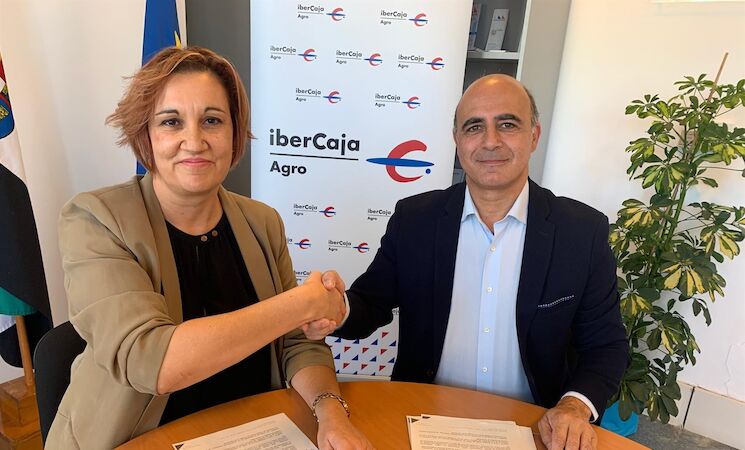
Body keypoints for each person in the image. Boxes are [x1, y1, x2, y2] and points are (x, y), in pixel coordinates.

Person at [48, 46, 372, 450]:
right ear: (145, 135)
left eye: (212, 120)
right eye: (171, 122)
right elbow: (151, 361)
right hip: (135, 439)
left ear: (234, 134)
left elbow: (297, 342)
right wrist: (300, 304)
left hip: (252, 433)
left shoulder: (262, 222)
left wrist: (331, 415)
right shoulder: (96, 219)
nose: (194, 141)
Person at [309, 74, 628, 450]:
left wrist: (573, 407)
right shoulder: (415, 220)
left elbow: (605, 346)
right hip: (424, 420)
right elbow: (369, 304)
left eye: (507, 124)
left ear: (534, 136)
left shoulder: (581, 232)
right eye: (474, 127)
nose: (490, 141)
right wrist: (335, 308)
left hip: (535, 427)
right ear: (458, 141)